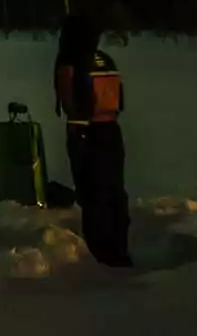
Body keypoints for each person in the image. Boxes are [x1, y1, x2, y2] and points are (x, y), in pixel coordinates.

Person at [55, 13, 132, 268]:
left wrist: (76, 124)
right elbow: (118, 99)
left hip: (86, 130)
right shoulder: (106, 59)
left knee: (92, 192)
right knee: (114, 190)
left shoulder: (70, 60)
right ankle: (119, 247)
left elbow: (68, 97)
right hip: (112, 129)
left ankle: (101, 252)